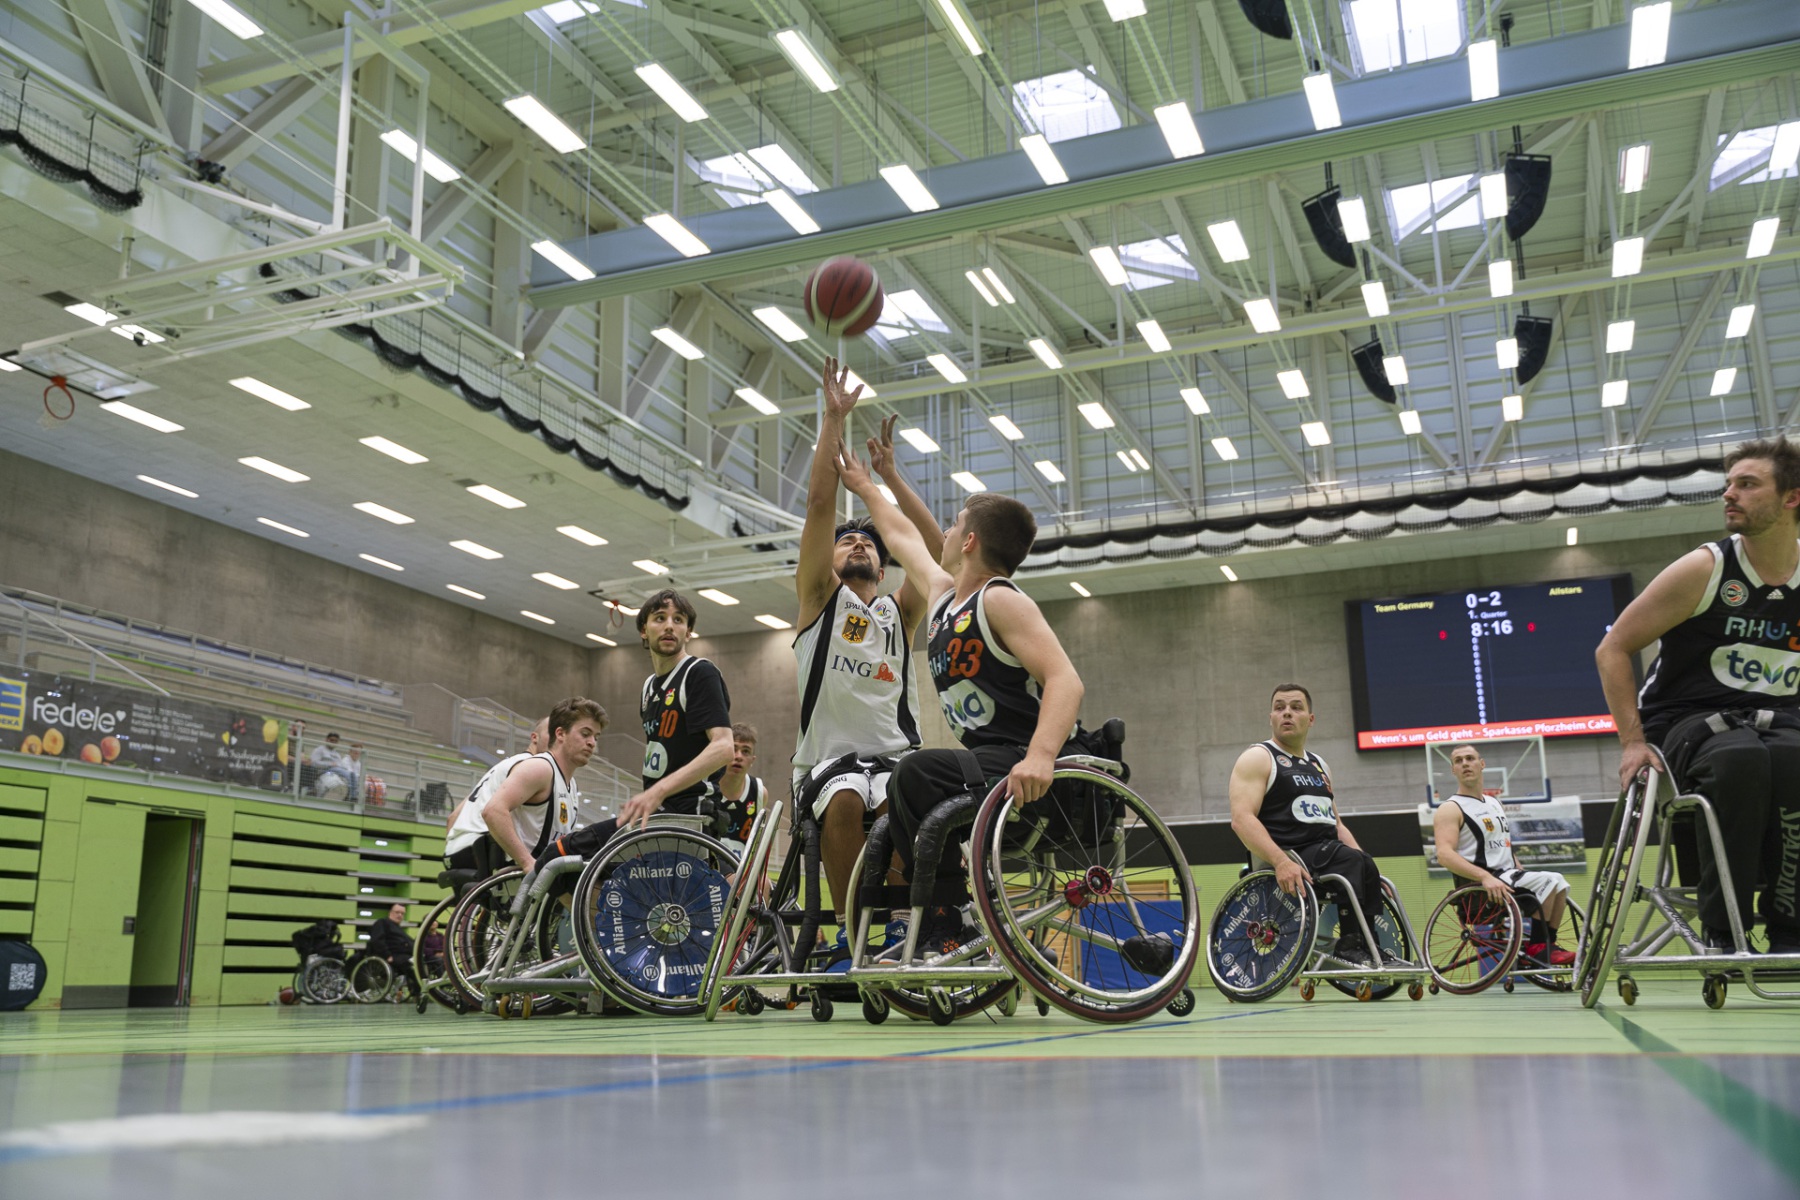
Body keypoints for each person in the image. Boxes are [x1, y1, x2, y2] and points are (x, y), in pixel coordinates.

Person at [833, 443, 1083, 956]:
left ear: (968, 541)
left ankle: (949, 913)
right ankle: (944, 912)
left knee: (915, 771)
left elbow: (1065, 681)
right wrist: (871, 484)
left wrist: (1040, 757)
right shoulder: (946, 597)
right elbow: (902, 535)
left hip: (1025, 760)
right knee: (916, 779)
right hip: (986, 759)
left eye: (952, 526)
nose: (941, 533)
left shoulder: (1001, 600)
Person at [1595, 436, 1800, 955]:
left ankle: (1788, 928)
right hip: (1690, 721)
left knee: (1791, 759)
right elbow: (1613, 648)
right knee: (1739, 759)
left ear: (1791, 498)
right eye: (1729, 484)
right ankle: (1724, 929)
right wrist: (1631, 742)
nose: (1729, 493)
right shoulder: (1706, 569)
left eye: (1747, 484)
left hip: (1779, 719)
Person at [796, 359, 941, 937]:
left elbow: (936, 551)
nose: (858, 543)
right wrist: (832, 420)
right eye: (847, 541)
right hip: (828, 760)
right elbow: (818, 506)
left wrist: (890, 480)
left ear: (883, 567)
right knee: (847, 800)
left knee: (899, 801)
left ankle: (904, 928)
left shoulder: (899, 613)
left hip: (896, 755)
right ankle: (849, 931)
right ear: (830, 564)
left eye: (869, 542)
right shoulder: (818, 600)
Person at [543, 590, 733, 860]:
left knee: (558, 855)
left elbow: (724, 747)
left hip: (688, 815)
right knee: (590, 870)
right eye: (660, 618)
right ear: (644, 630)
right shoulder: (648, 687)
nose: (669, 626)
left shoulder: (699, 673)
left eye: (678, 620)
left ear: (688, 632)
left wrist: (658, 791)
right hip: (656, 816)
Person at [1227, 684, 1393, 967]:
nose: (1287, 713)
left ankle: (1369, 946)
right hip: (1290, 853)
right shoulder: (1258, 757)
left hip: (1326, 853)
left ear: (1310, 719)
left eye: (1296, 707)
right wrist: (1280, 861)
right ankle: (1350, 945)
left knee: (1362, 862)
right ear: (1271, 717)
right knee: (1351, 861)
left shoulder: (1319, 765)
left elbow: (1336, 824)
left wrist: (1367, 868)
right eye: (1279, 708)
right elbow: (1241, 819)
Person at [1432, 744, 1574, 966]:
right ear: (1453, 770)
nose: (1465, 764)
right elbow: (1444, 855)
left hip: (1508, 877)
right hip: (1483, 886)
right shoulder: (1450, 808)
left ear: (1482, 764)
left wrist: (1521, 871)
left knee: (1560, 883)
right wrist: (1484, 877)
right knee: (1549, 879)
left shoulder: (1493, 802)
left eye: (1470, 758)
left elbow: (1504, 846)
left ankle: (1548, 944)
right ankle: (1537, 947)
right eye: (1458, 761)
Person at [443, 698, 604, 876]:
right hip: (481, 850)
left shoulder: (568, 783)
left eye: (596, 737)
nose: (592, 743)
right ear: (558, 734)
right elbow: (493, 811)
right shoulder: (536, 766)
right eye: (585, 734)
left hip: (458, 849)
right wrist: (527, 862)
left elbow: (453, 818)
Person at [444, 718, 549, 838]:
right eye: (551, 732)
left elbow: (452, 818)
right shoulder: (531, 767)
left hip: (459, 843)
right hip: (483, 841)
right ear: (534, 737)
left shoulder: (501, 767)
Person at [712, 723, 767, 849]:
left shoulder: (759, 793)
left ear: (752, 760)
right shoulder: (708, 787)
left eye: (745, 751)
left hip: (740, 861)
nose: (738, 757)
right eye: (734, 749)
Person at [366, 902, 414, 982]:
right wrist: (387, 955)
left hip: (405, 956)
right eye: (397, 912)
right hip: (391, 957)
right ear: (390, 912)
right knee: (414, 966)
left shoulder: (399, 929)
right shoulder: (382, 923)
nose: (400, 915)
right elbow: (377, 940)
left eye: (402, 913)